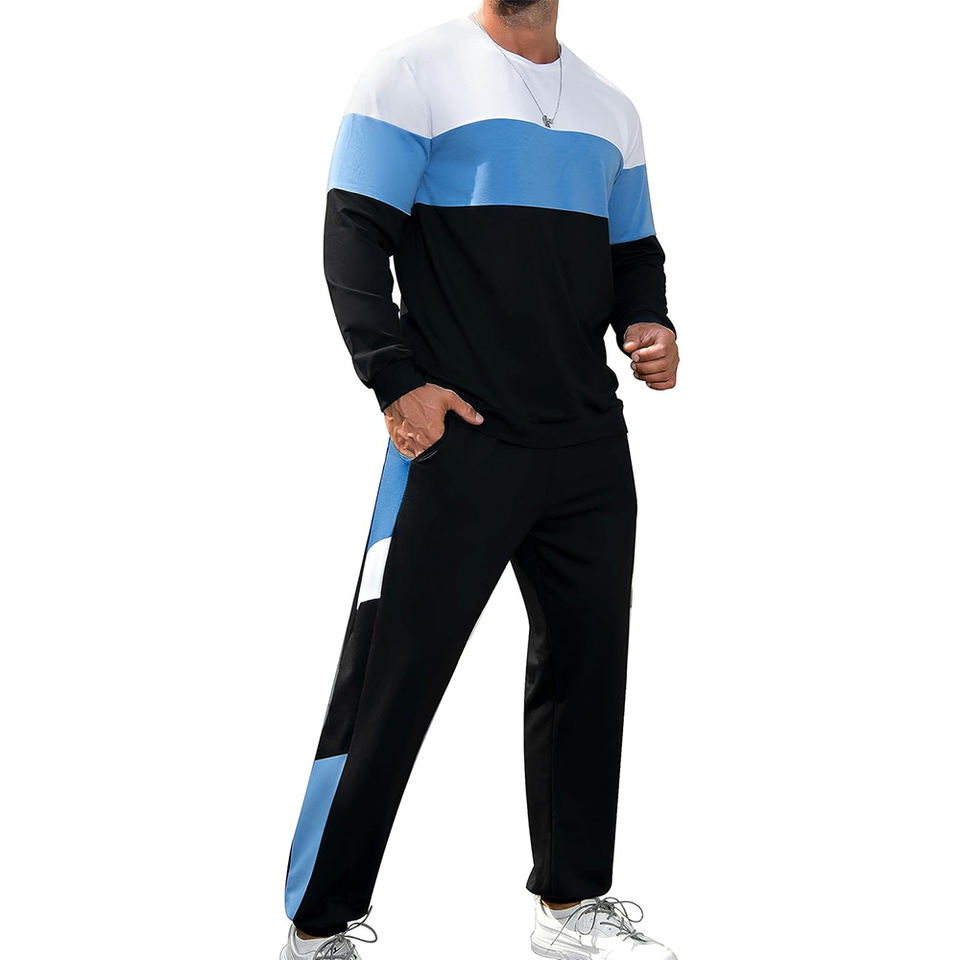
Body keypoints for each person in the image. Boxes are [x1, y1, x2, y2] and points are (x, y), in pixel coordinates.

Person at [280, 2, 680, 957]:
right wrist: (394, 378)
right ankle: (317, 925)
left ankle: (571, 907)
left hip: (587, 445)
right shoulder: (411, 72)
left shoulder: (611, 107)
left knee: (588, 676)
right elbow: (352, 234)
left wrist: (650, 322)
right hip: (456, 438)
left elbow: (633, 251)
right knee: (389, 681)